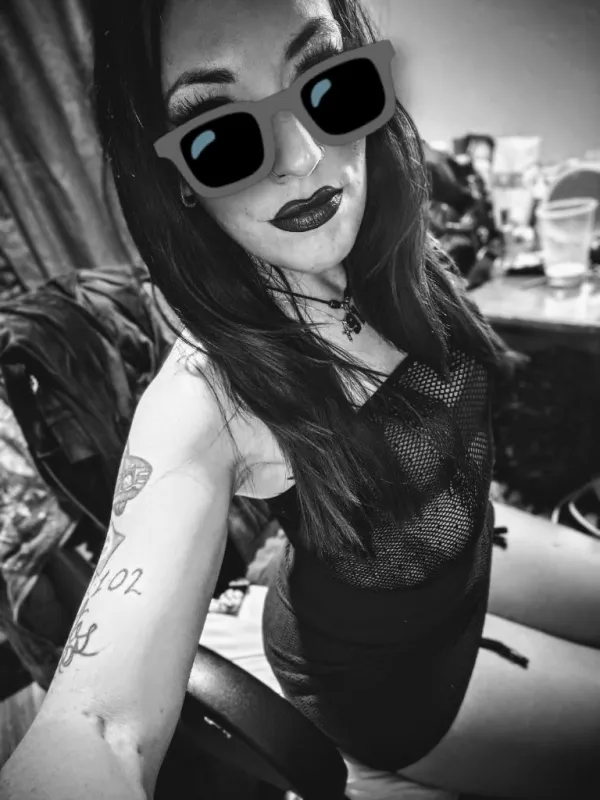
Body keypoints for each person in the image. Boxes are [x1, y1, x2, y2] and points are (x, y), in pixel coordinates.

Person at [2, 1, 600, 797]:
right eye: (222, 135)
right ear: (173, 175)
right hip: (392, 678)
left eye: (327, 84)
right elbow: (99, 724)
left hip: (463, 547)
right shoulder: (210, 394)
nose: (305, 157)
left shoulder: (388, 239)